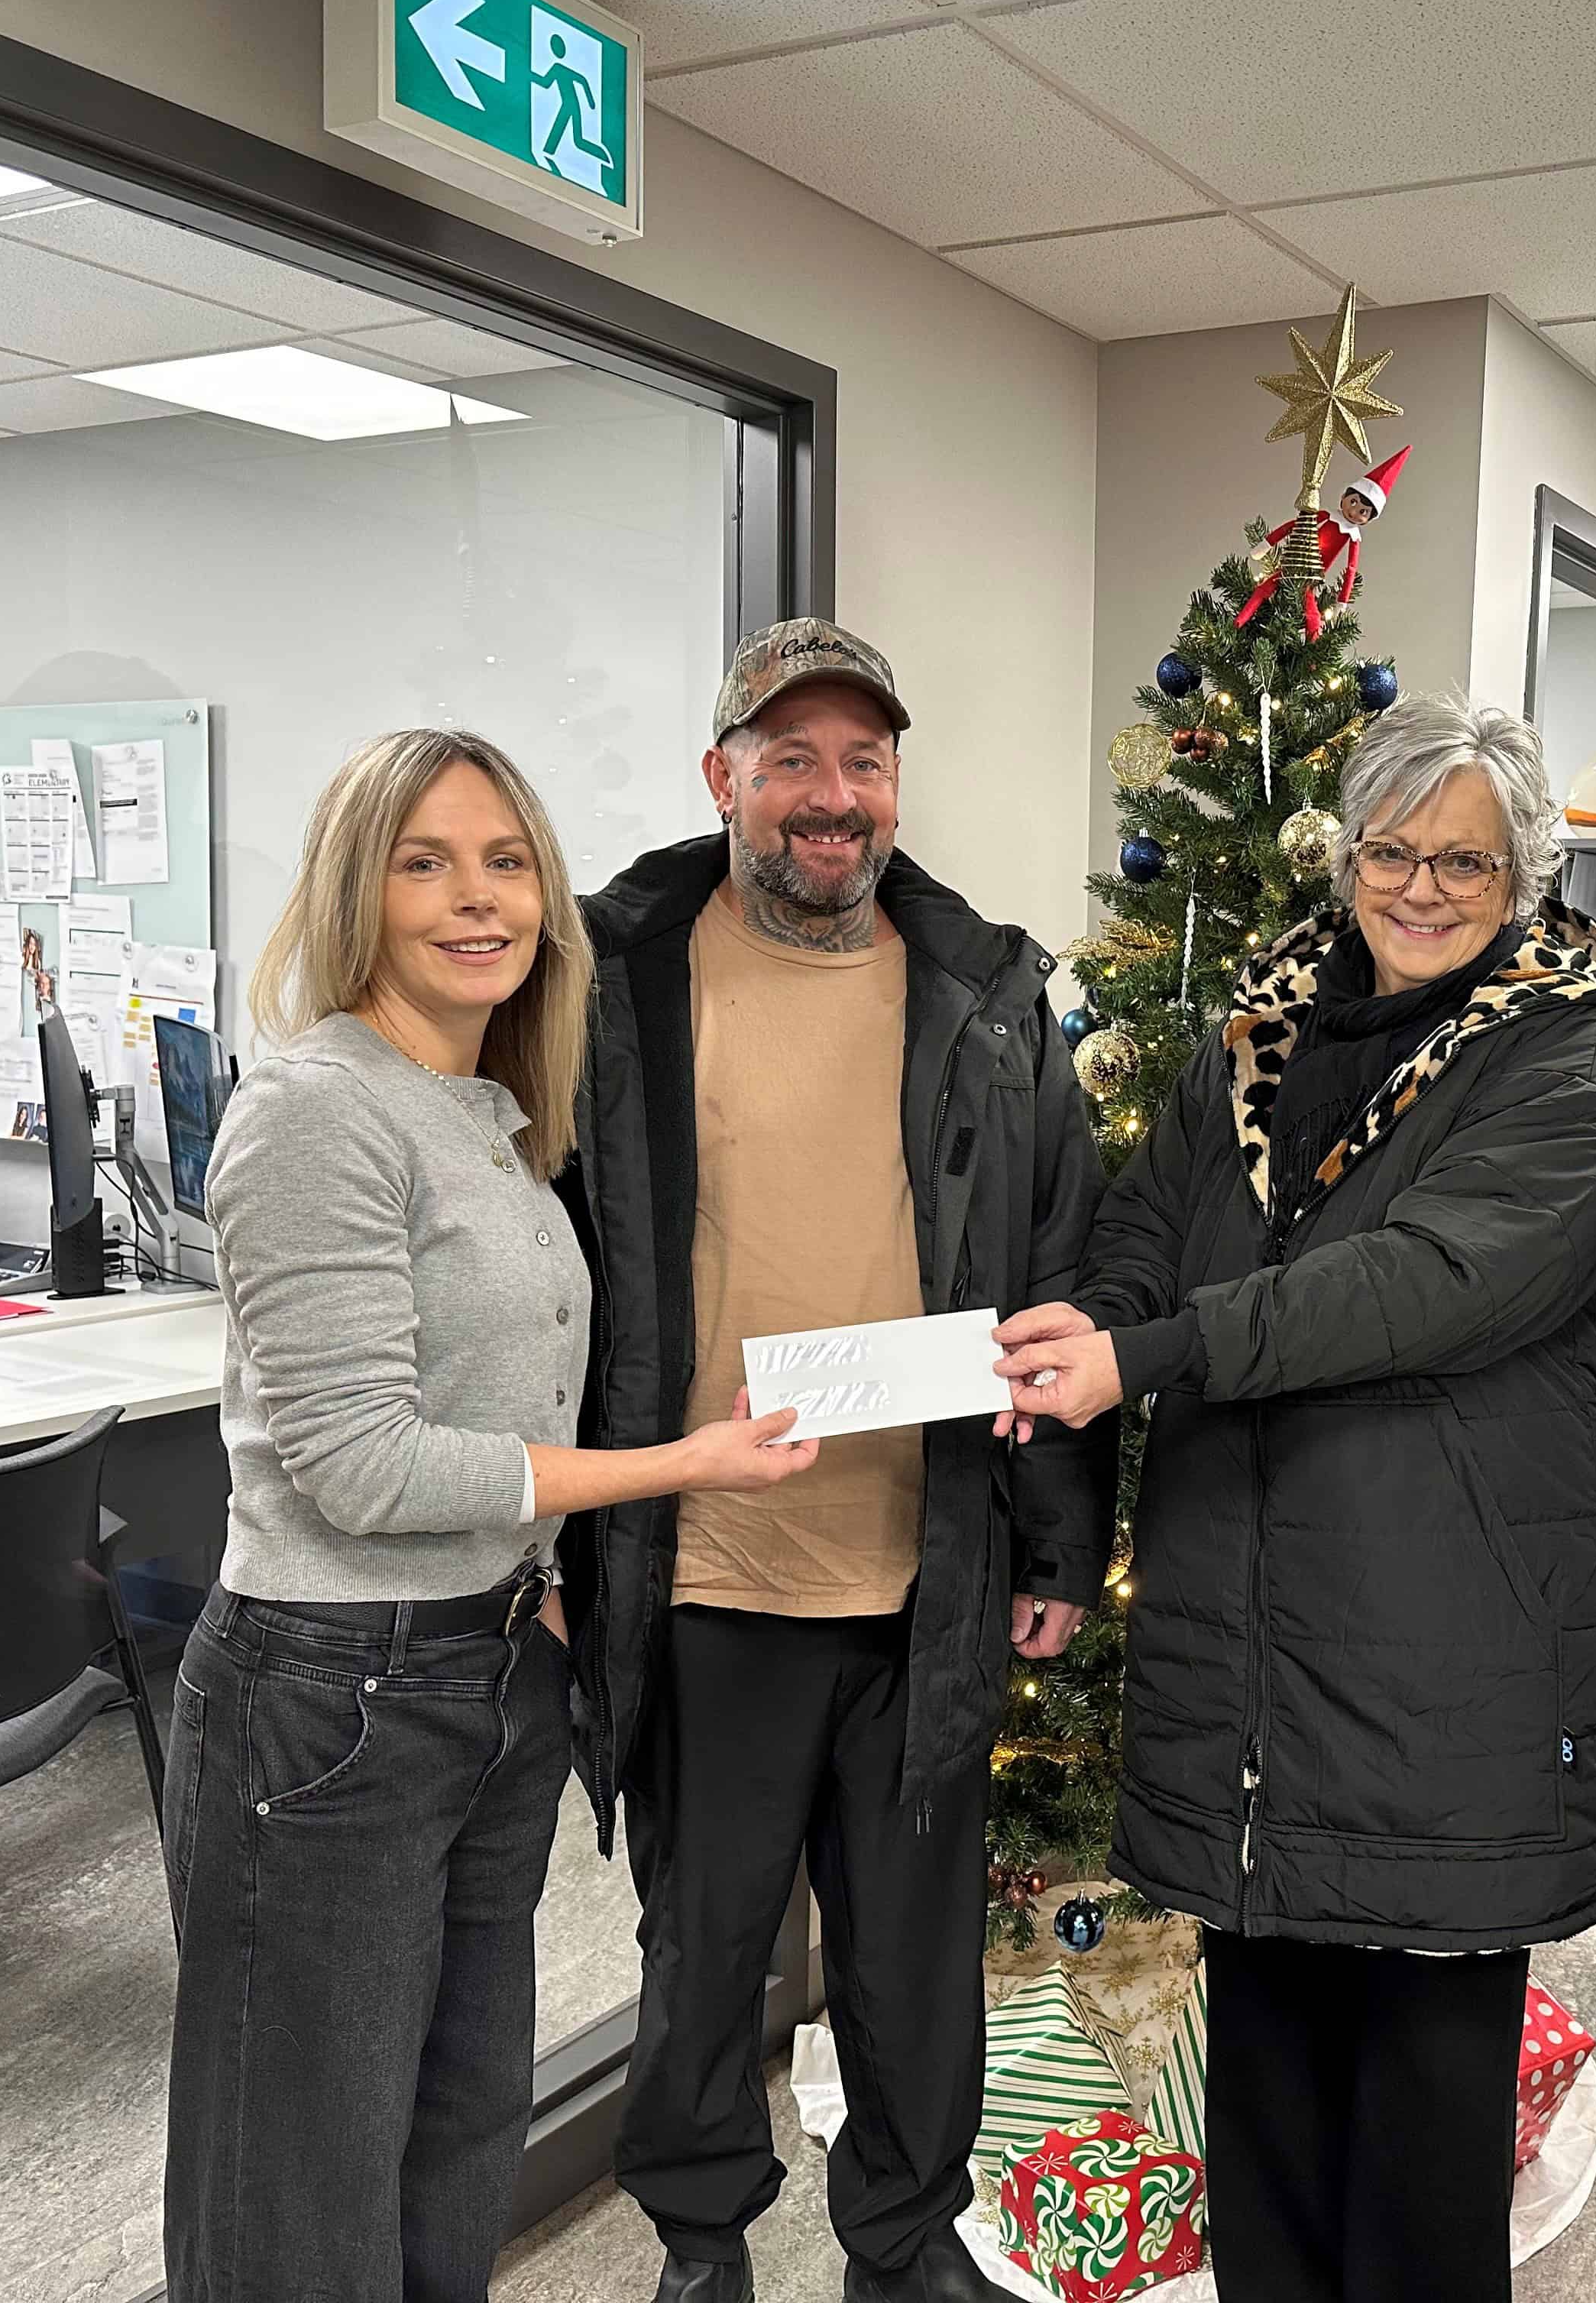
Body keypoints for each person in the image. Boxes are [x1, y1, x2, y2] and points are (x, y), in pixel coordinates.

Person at [998, 695, 1596, 2303]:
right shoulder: (1262, 1035)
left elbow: (1411, 1287)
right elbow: (1147, 1227)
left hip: (1444, 1674)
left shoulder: (1564, 1064)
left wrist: (1147, 1354)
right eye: (1391, 851)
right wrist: (1098, 1322)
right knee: (1273, 2122)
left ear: (1524, 878)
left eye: (1466, 862)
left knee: (1422, 2148)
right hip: (1249, 1668)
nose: (1421, 887)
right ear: (1347, 854)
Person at [163, 730, 817, 2303]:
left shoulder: (487, 1113)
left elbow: (498, 1400)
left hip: (489, 1671)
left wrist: (542, 1589)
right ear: (357, 892)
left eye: (508, 863)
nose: (480, 899)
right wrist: (678, 1468)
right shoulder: (318, 1110)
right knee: (301, 2188)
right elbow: (364, 1467)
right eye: (427, 863)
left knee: (455, 2144)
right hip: (331, 1699)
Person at [564, 620, 1115, 2303]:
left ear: (894, 786)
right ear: (721, 777)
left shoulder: (988, 998)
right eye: (790, 758)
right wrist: (551, 1554)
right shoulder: (614, 982)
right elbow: (555, 1270)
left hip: (921, 1569)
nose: (832, 795)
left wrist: (1053, 1543)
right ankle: (702, 2243)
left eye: (862, 761)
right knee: (705, 1953)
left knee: (912, 1964)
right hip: (705, 1568)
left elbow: (1054, 1269)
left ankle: (904, 2242)